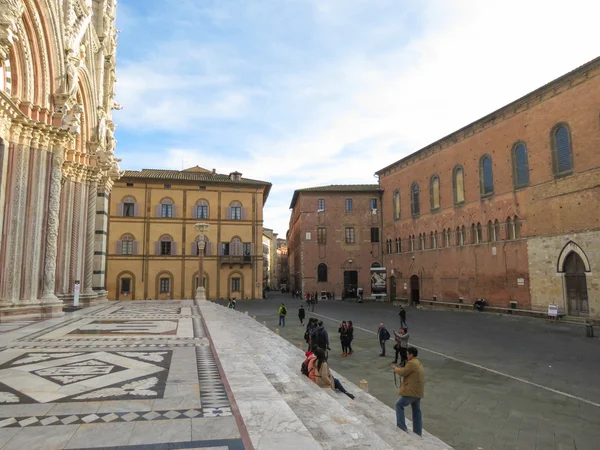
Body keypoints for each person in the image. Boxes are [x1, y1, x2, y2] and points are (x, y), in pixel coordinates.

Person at [392, 346, 424, 436]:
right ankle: (418, 431)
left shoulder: (411, 363)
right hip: (418, 391)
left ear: (411, 355)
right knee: (416, 410)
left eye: (408, 354)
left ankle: (402, 427)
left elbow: (403, 372)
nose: (407, 355)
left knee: (399, 404)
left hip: (412, 391)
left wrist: (395, 369)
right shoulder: (418, 362)